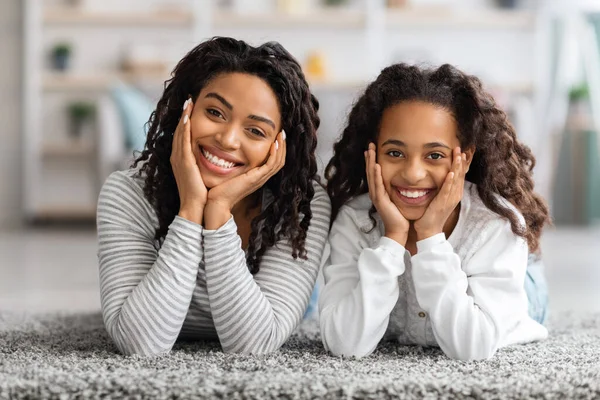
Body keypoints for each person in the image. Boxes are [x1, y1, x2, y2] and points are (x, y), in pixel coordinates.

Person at [97, 37, 331, 356]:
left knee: (302, 305)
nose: (228, 139)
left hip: (281, 298)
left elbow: (252, 346)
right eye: (215, 112)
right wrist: (192, 207)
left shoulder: (301, 204)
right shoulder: (128, 192)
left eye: (256, 131)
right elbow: (141, 345)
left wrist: (218, 210)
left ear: (279, 147)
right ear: (186, 109)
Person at [319, 63, 550, 360]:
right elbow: (345, 345)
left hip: (514, 283)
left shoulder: (495, 224)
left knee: (527, 286)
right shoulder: (356, 219)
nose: (413, 173)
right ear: (372, 153)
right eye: (395, 153)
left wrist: (429, 237)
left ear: (464, 160)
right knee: (320, 303)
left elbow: (473, 349)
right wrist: (393, 239)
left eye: (435, 155)